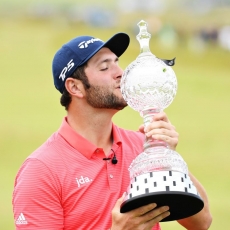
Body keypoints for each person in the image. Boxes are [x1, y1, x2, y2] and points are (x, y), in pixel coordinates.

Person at [12, 32, 212, 230]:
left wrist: (167, 156)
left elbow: (202, 222)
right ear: (75, 87)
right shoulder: (40, 171)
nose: (121, 73)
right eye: (105, 67)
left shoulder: (141, 146)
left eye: (117, 62)